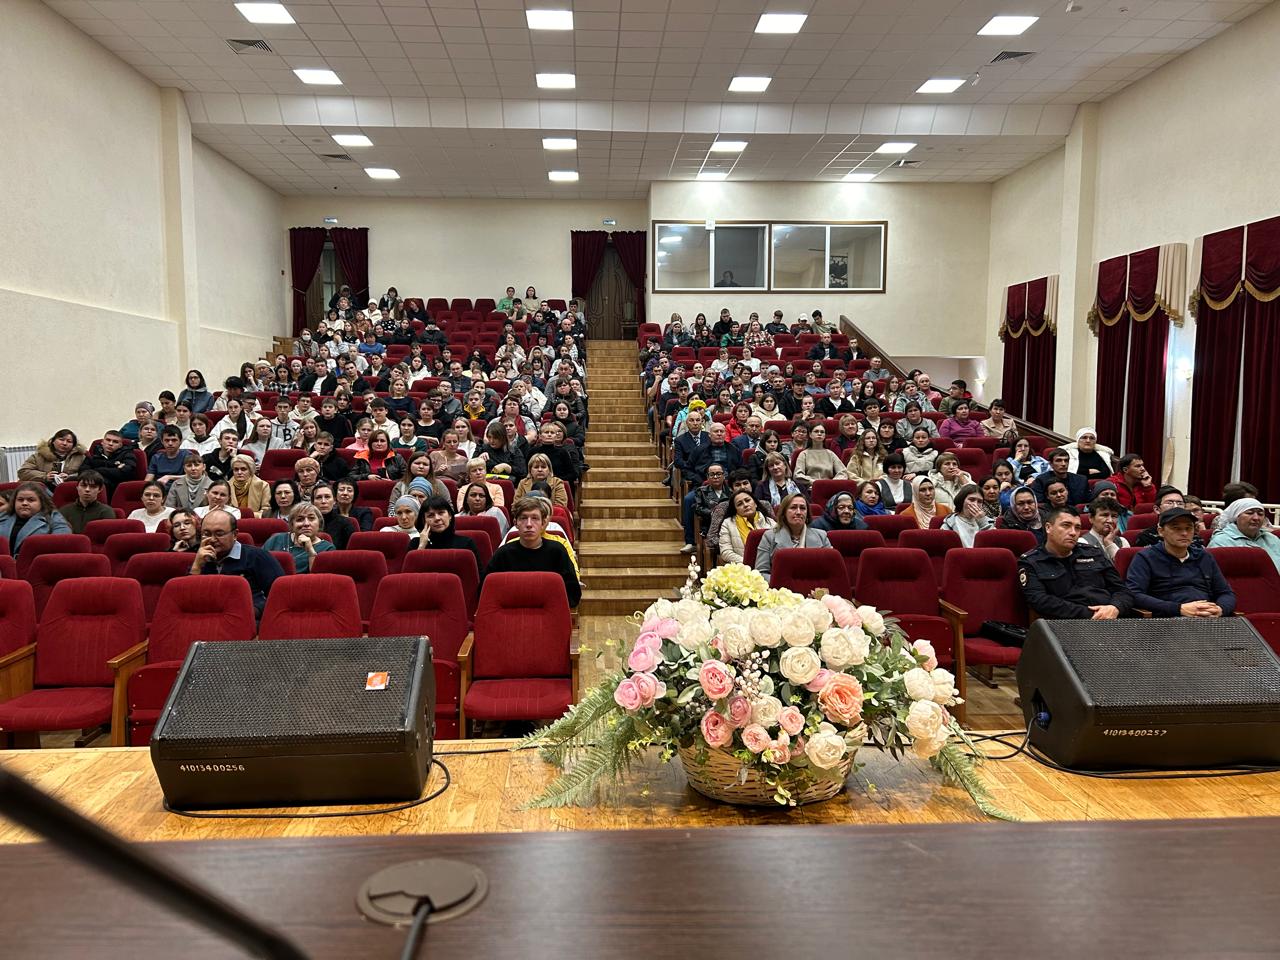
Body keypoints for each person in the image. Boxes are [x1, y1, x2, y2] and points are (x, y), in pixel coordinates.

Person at [1018, 507, 1134, 621]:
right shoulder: (1031, 561)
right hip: (1068, 624)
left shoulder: (1093, 553)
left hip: (1112, 620)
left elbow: (1122, 590)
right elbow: (1040, 601)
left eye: (1077, 528)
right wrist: (1094, 615)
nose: (1073, 533)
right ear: (1048, 528)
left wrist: (1115, 607)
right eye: (1066, 525)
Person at [1125, 508, 1235, 618]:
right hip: (1167, 619)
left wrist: (1220, 609)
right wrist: (1178, 609)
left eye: (1189, 528)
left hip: (1208, 618)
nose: (1184, 533)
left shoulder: (1204, 556)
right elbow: (1134, 594)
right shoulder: (1146, 557)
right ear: (1161, 531)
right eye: (1176, 528)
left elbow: (1226, 593)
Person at [483, 496, 581, 608]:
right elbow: (486, 591)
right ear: (515, 523)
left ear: (543, 523)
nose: (529, 524)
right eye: (523, 518)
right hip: (512, 611)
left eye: (535, 518)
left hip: (549, 612)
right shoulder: (503, 554)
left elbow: (573, 594)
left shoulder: (557, 551)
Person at [190, 508, 284, 618]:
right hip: (208, 618)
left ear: (235, 534)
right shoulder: (200, 558)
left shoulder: (257, 557)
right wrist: (196, 566)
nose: (212, 539)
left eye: (219, 534)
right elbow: (188, 600)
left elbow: (280, 596)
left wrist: (254, 610)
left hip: (249, 620)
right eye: (206, 534)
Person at [753, 493, 831, 576]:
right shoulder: (769, 537)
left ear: (807, 513)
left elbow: (831, 570)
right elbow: (761, 573)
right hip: (781, 583)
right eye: (793, 507)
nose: (798, 512)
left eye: (802, 508)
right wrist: (779, 583)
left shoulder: (822, 536)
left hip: (814, 583)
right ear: (784, 512)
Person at [1208, 498, 1280, 573]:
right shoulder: (1221, 541)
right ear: (1236, 517)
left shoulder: (1271, 538)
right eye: (1249, 513)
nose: (1256, 518)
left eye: (1260, 514)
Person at [263, 503, 335, 574]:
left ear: (319, 523)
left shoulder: (327, 548)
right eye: (300, 519)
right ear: (292, 524)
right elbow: (260, 563)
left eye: (311, 518)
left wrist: (311, 552)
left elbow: (319, 578)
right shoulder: (276, 539)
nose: (306, 523)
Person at [681, 463, 730, 555]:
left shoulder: (731, 491)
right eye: (712, 474)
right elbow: (697, 507)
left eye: (718, 474)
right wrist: (712, 513)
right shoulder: (701, 491)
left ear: (724, 476)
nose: (715, 477)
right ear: (707, 477)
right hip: (709, 525)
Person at [50, 469, 112, 535]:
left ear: (100, 490)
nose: (87, 489)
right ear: (77, 487)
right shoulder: (64, 511)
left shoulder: (106, 512)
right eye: (83, 485)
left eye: (93, 487)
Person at [717, 490, 770, 565]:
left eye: (747, 500)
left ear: (755, 504)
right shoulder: (727, 524)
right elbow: (726, 552)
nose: (745, 505)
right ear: (735, 510)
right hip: (743, 567)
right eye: (739, 504)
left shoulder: (770, 522)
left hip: (768, 566)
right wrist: (747, 563)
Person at [18, 430, 86, 487]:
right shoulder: (39, 456)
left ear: (73, 445)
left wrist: (70, 477)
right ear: (53, 441)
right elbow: (23, 472)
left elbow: (87, 473)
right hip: (44, 488)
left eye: (69, 441)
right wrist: (45, 476)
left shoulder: (80, 457)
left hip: (69, 488)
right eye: (61, 440)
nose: (65, 443)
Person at [83, 430, 141, 496]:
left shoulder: (127, 454)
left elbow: (126, 472)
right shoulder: (95, 453)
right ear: (102, 442)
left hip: (116, 489)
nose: (110, 444)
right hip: (92, 483)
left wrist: (97, 470)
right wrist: (114, 468)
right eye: (108, 440)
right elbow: (83, 470)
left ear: (120, 445)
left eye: (115, 442)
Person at [940, 483, 994, 548]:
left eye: (979, 501)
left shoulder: (988, 522)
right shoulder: (949, 523)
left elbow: (994, 544)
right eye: (971, 500)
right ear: (962, 501)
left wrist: (982, 522)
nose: (975, 504)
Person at [310, 484, 353, 550]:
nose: (323, 501)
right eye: (319, 497)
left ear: (334, 501)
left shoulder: (345, 524)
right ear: (312, 502)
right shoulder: (306, 523)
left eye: (327, 497)